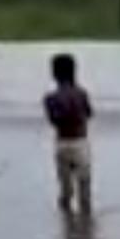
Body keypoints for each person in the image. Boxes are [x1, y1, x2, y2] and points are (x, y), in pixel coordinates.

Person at [43, 53, 94, 213]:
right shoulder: (81, 93)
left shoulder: (50, 97)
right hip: (80, 143)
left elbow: (53, 121)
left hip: (61, 143)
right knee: (84, 187)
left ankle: (66, 220)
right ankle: (84, 221)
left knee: (65, 190)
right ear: (74, 71)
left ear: (54, 74)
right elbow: (89, 114)